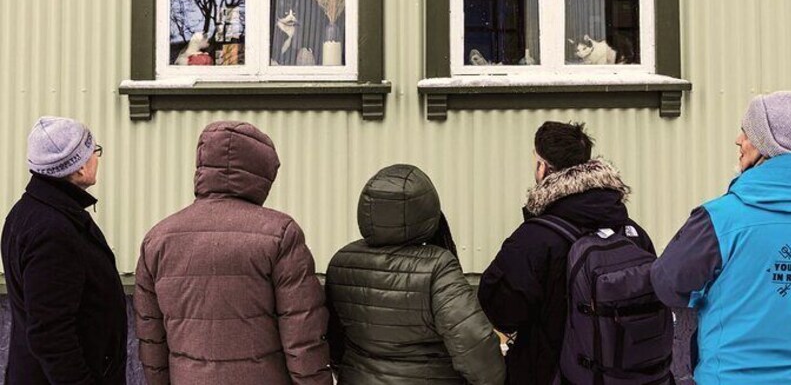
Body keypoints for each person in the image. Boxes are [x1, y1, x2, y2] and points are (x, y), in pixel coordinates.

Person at [651, 91, 791, 384]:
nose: (738, 140)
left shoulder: (719, 218)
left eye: (747, 132)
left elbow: (667, 284)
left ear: (768, 146)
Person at [134, 121, 332, 385]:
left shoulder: (157, 239)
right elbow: (302, 333)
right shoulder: (281, 233)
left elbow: (151, 336)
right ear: (261, 173)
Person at [478, 121, 655, 384]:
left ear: (543, 167)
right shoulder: (632, 233)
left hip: (554, 374)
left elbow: (500, 310)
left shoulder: (535, 239)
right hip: (629, 375)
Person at [325, 164, 505, 384]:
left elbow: (333, 339)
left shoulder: (342, 262)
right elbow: (473, 343)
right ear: (427, 210)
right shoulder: (438, 266)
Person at [1, 116, 127, 384]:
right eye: (94, 151)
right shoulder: (52, 231)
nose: (97, 158)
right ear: (79, 168)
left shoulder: (29, 212)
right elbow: (51, 335)